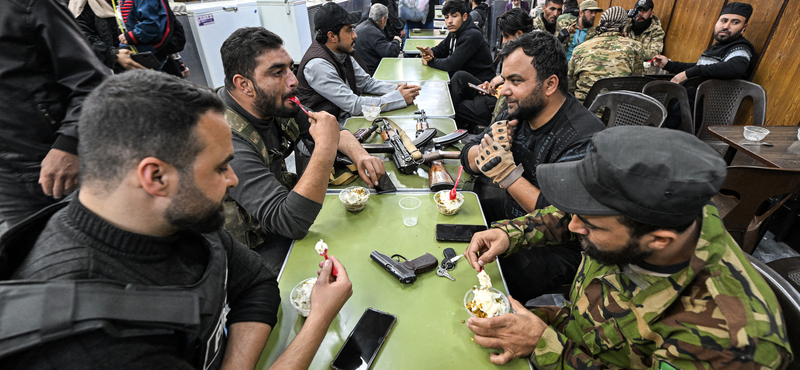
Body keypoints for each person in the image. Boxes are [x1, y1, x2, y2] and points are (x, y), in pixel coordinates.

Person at [0, 70, 354, 370]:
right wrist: (319, 318)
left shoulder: (175, 214)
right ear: (155, 177)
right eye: (219, 168)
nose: (232, 180)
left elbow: (256, 284)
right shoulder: (89, 343)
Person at [463, 126, 792, 369]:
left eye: (591, 226)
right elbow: (575, 215)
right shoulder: (667, 208)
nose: (574, 226)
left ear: (659, 240)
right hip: (572, 332)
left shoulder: (732, 343)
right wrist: (511, 233)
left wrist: (546, 345)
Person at [219, 27, 385, 272]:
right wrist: (326, 149)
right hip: (252, 248)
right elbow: (290, 222)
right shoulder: (224, 139)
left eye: (290, 68)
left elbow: (330, 128)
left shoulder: (271, 102)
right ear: (244, 84)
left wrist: (360, 154)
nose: (293, 80)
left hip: (283, 212)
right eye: (278, 72)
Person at [459, 31, 605, 302]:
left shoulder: (583, 139)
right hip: (508, 222)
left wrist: (507, 174)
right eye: (504, 80)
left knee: (474, 281)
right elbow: (466, 154)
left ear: (550, 84)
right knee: (457, 228)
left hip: (553, 247)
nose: (503, 90)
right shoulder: (518, 111)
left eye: (516, 81)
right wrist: (486, 151)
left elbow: (563, 219)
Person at [0, 0, 108, 229]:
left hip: (53, 164)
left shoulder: (28, 5)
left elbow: (92, 83)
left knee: (92, 248)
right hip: (8, 177)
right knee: (29, 256)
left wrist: (69, 143)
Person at [297, 1, 421, 121]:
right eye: (349, 30)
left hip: (341, 119)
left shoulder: (341, 52)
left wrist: (396, 89)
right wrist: (398, 98)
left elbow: (366, 82)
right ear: (332, 36)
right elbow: (354, 105)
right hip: (321, 135)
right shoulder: (317, 66)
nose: (355, 35)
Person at [448, 8, 533, 131]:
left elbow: (451, 63)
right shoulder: (517, 51)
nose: (503, 41)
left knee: (458, 107)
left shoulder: (525, 58)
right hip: (494, 93)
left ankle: (457, 124)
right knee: (459, 77)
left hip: (498, 104)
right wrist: (493, 83)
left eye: (506, 36)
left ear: (519, 34)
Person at [652, 2, 755, 85]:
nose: (726, 26)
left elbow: (734, 68)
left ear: (743, 28)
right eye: (723, 21)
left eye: (735, 22)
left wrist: (689, 73)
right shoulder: (718, 46)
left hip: (705, 107)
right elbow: (700, 67)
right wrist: (669, 65)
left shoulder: (741, 48)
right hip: (686, 100)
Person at [568, 6, 644, 104]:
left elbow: (569, 85)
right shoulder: (635, 47)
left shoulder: (580, 48)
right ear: (624, 26)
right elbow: (637, 85)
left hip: (583, 111)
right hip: (617, 114)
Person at [417, 0, 494, 82]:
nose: (449, 21)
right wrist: (431, 53)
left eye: (454, 16)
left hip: (481, 84)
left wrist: (430, 62)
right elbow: (442, 49)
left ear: (464, 17)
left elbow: (451, 64)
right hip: (465, 80)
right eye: (446, 17)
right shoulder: (455, 32)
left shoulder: (471, 35)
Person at [68, 0, 145, 72]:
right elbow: (80, 38)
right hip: (107, 71)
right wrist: (112, 54)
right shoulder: (83, 4)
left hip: (148, 59)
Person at [355, 4, 402, 75]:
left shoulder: (361, 26)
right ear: (383, 19)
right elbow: (391, 53)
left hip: (361, 69)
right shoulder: (374, 32)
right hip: (373, 72)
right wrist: (397, 41)